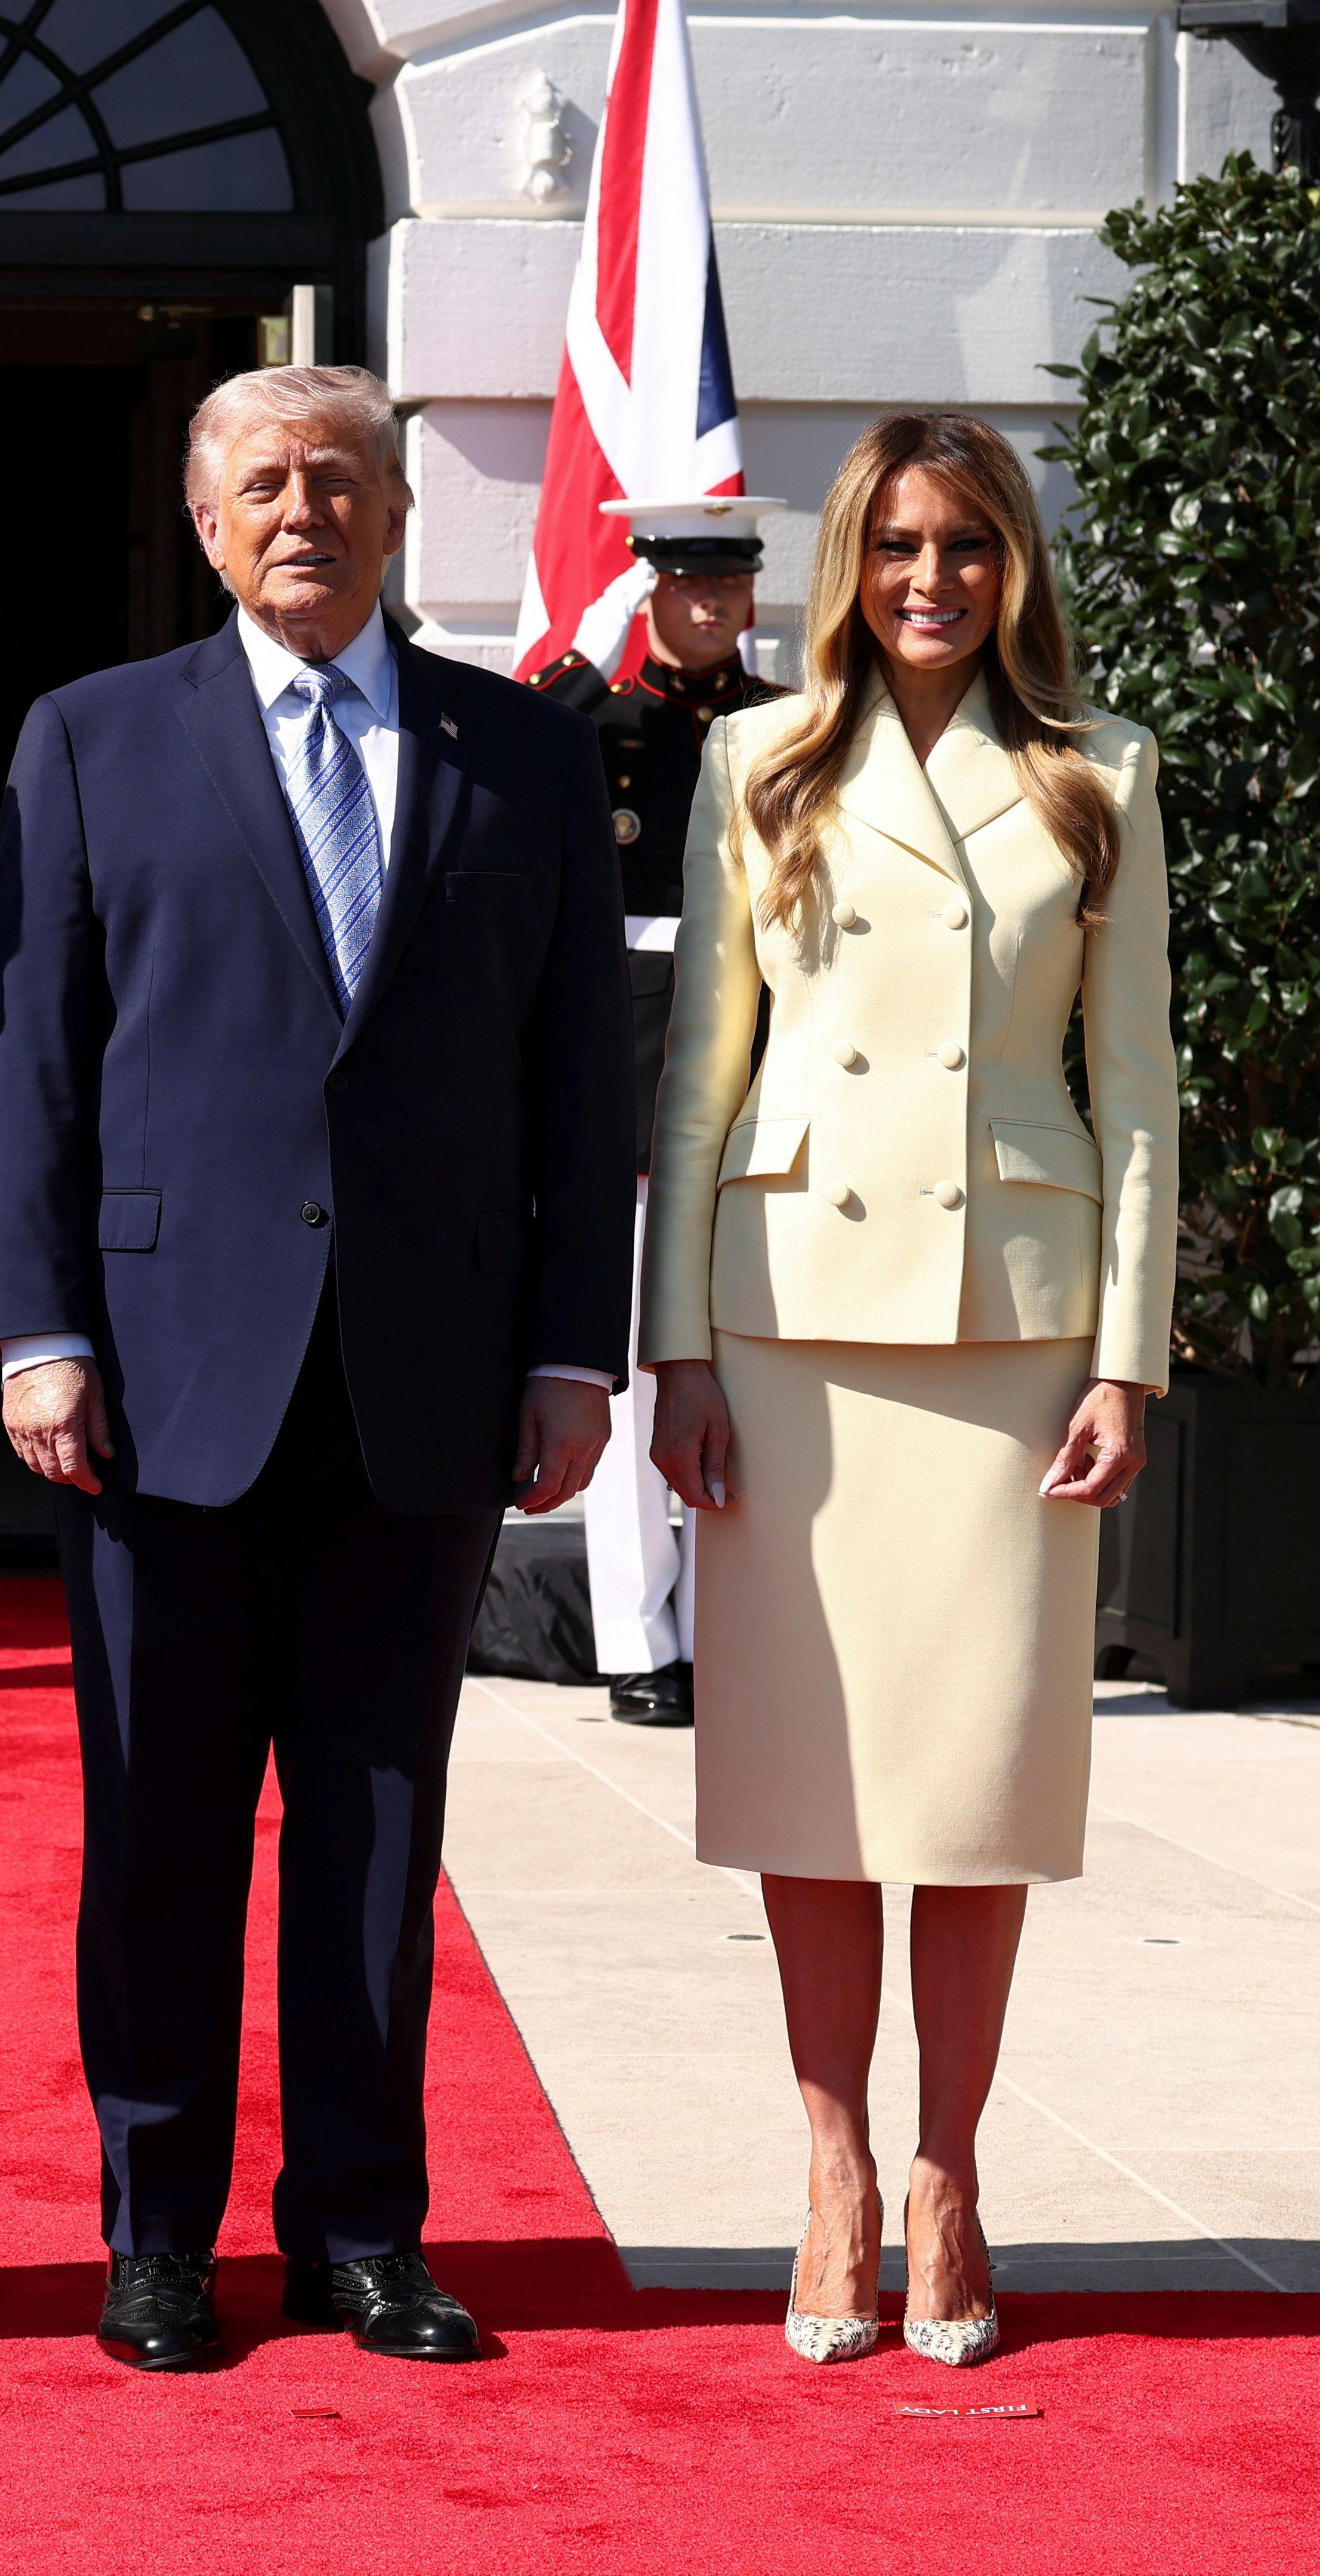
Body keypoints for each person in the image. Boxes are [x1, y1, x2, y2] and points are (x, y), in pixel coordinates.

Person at [0, 364, 633, 2374]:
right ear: (203, 522)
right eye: (261, 483)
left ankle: (361, 2230)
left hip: (428, 1375)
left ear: (396, 513)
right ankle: (156, 2233)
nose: (301, 513)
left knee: (376, 1827)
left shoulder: (522, 755)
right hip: (162, 1379)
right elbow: (27, 1058)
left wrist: (571, 1347)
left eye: (338, 480)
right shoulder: (91, 740)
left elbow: (581, 1080)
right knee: (161, 1824)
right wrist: (38, 1328)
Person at [639, 411, 1176, 2371]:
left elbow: (1139, 1091)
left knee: (972, 1777)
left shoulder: (1101, 771)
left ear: (1012, 564)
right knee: (811, 1772)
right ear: (846, 569)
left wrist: (1128, 1353)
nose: (929, 578)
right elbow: (698, 1073)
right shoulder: (756, 759)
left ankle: (949, 2168)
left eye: (964, 544)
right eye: (895, 545)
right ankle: (832, 2165)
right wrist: (675, 1343)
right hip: (791, 1316)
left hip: (1010, 1323)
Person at [520, 493, 788, 1729]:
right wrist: (587, 655)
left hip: (766, 1051)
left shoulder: (783, 720)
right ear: (647, 593)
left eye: (727, 584)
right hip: (637, 1052)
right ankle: (639, 1639)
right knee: (635, 1371)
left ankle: (744, 1627)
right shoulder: (602, 721)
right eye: (684, 585)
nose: (710, 604)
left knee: (759, 1357)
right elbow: (518, 748)